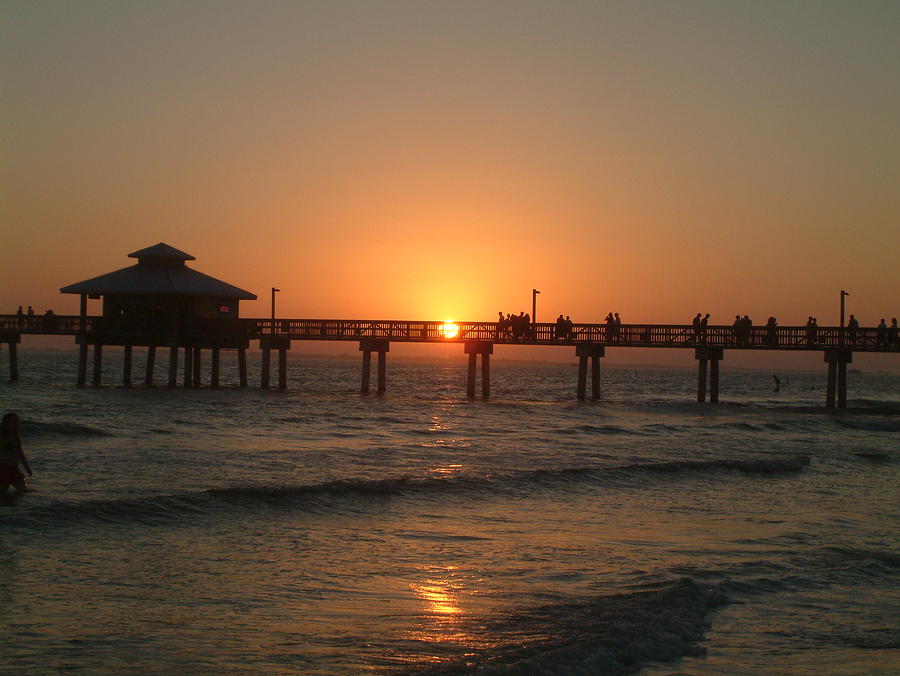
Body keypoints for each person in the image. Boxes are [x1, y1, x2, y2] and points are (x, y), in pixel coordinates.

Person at [1, 412, 32, 495]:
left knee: (24, 491)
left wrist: (27, 467)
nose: (16, 423)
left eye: (17, 421)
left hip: (13, 468)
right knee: (3, 494)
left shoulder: (15, 435)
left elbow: (20, 453)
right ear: (6, 422)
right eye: (14, 421)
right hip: (2, 469)